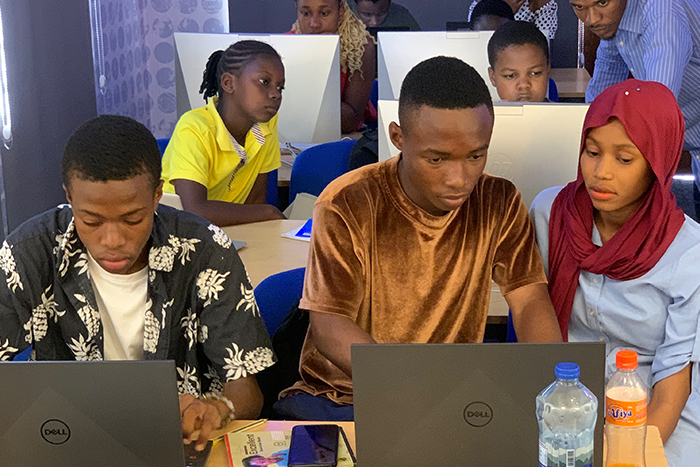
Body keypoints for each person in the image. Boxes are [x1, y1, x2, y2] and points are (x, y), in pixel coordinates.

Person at [274, 56, 563, 421]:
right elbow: (329, 326)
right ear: (397, 137)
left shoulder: (498, 200)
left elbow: (529, 301)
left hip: (450, 400)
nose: (459, 179)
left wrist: (554, 386)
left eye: (476, 156)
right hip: (347, 396)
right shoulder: (348, 202)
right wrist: (414, 390)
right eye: (437, 159)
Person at [0, 115, 276, 451]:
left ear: (158, 194)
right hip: (65, 442)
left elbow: (247, 392)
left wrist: (218, 409)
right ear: (69, 197)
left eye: (133, 219)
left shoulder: (205, 250)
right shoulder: (30, 253)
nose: (112, 240)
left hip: (180, 443)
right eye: (91, 221)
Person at [530, 80, 700, 467]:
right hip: (566, 392)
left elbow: (672, 389)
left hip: (653, 405)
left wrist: (627, 457)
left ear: (657, 164)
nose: (601, 172)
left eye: (624, 159)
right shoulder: (550, 214)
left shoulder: (689, 252)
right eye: (592, 152)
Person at [570, 0, 700, 219]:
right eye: (579, 7)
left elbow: (656, 112)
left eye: (602, 2)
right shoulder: (614, 24)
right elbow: (598, 102)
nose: (591, 19)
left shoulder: (663, 12)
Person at [162, 40, 286, 226]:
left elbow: (255, 201)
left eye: (280, 87)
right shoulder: (194, 128)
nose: (275, 94)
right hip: (178, 232)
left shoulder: (266, 124)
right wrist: (269, 212)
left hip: (228, 232)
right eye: (264, 82)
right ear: (228, 83)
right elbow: (192, 211)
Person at [292, 0, 377, 134]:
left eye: (324, 13)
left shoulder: (360, 48)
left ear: (340, 12)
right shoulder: (283, 46)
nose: (314, 23)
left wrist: (320, 60)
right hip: (293, 135)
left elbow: (350, 121)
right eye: (306, 13)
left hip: (345, 137)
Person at [488, 21, 551, 102]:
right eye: (510, 76)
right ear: (493, 77)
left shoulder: (564, 111)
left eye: (535, 73)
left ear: (548, 70)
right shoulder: (482, 111)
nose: (524, 85)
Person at [469, 0, 558, 39]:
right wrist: (505, 10)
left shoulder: (541, 5)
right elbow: (475, 42)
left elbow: (544, 55)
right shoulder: (481, 4)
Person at [348, 0, 421, 30]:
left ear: (389, 5)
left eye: (381, 14)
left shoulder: (402, 16)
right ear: (355, 5)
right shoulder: (344, 15)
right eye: (367, 15)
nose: (374, 22)